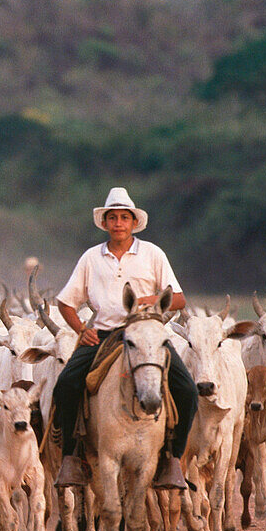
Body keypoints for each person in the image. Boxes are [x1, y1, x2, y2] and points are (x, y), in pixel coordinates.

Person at [51, 186, 198, 490]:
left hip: (148, 332)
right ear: (104, 223)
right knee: (65, 385)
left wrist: (150, 297)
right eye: (113, 218)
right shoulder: (91, 258)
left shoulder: (153, 253)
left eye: (124, 218)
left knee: (187, 391)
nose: (118, 223)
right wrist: (81, 329)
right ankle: (70, 457)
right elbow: (65, 302)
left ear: (134, 223)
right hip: (105, 334)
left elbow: (180, 298)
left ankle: (172, 459)